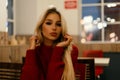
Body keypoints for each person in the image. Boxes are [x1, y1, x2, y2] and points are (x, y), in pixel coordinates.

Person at [20, 7, 78, 80]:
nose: (54, 28)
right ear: (40, 27)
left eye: (59, 24)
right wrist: (31, 50)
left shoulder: (71, 51)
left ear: (62, 29)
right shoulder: (36, 51)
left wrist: (58, 48)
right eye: (48, 23)